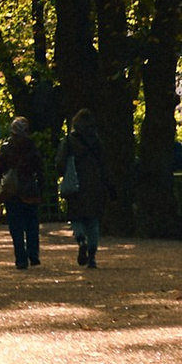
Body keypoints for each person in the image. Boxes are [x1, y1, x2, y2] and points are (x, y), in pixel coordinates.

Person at [0, 117, 47, 270]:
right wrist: (41, 190)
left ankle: (21, 258)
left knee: (16, 227)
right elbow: (40, 170)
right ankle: (33, 254)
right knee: (32, 225)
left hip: (12, 191)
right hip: (30, 189)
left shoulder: (6, 148)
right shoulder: (32, 146)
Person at [60, 107, 109, 271]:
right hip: (94, 185)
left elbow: (59, 163)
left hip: (75, 185)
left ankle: (81, 240)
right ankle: (92, 256)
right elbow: (104, 163)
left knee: (76, 217)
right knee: (93, 220)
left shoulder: (68, 141)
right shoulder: (96, 141)